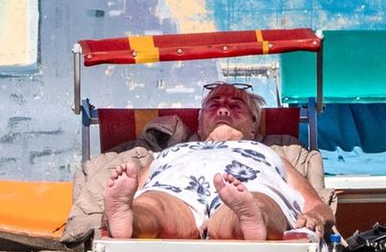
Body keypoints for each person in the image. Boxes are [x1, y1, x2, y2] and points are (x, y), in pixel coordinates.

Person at [102, 83, 334, 240]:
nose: (223, 110)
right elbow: (139, 188)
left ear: (253, 127)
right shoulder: (172, 152)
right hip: (176, 190)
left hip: (248, 187)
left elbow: (316, 206)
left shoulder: (269, 153)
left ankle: (251, 219)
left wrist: (315, 217)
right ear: (200, 123)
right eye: (214, 105)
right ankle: (129, 221)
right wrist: (124, 204)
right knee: (152, 203)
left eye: (235, 106)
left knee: (260, 202)